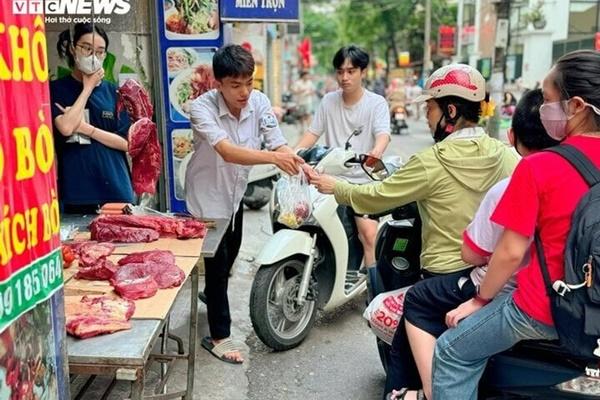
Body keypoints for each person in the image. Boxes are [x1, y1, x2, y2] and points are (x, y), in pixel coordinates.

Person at [309, 63, 518, 394]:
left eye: (430, 108)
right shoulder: (506, 157)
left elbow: (376, 196)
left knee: (406, 347)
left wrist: (336, 187)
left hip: (442, 280)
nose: (426, 116)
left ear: (450, 111)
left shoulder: (431, 161)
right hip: (491, 278)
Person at [432, 50, 600, 400]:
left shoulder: (540, 167)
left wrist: (479, 300)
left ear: (577, 106)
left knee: (451, 351)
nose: (544, 110)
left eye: (548, 100)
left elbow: (509, 252)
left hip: (545, 309)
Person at [385, 89, 559, 400]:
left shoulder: (509, 186)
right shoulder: (574, 178)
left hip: (510, 293)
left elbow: (484, 253)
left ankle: (428, 392)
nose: (427, 117)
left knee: (422, 304)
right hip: (561, 293)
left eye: (429, 109)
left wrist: (480, 299)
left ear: (512, 136)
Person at [185, 44, 305, 364]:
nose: (244, 92)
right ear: (218, 84)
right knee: (217, 265)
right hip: (208, 198)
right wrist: (274, 159)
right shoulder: (202, 109)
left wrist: (295, 160)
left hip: (236, 194)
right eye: (235, 85)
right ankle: (218, 337)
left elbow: (276, 141)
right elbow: (227, 151)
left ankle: (213, 295)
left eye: (249, 82)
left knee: (230, 254)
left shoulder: (259, 102)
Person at [295, 45, 391, 267]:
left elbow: (383, 134)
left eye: (351, 71)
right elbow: (312, 133)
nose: (344, 77)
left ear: (363, 72)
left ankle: (372, 284)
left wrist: (376, 152)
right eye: (340, 72)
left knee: (368, 235)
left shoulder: (376, 103)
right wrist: (292, 154)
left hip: (363, 181)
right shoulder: (329, 101)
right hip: (329, 179)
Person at [51, 23, 133, 213]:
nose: (93, 56)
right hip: (77, 190)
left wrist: (86, 129)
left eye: (100, 51)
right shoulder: (56, 89)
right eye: (87, 48)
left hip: (116, 187)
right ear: (73, 49)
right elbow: (66, 127)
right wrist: (88, 88)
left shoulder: (114, 92)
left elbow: (127, 143)